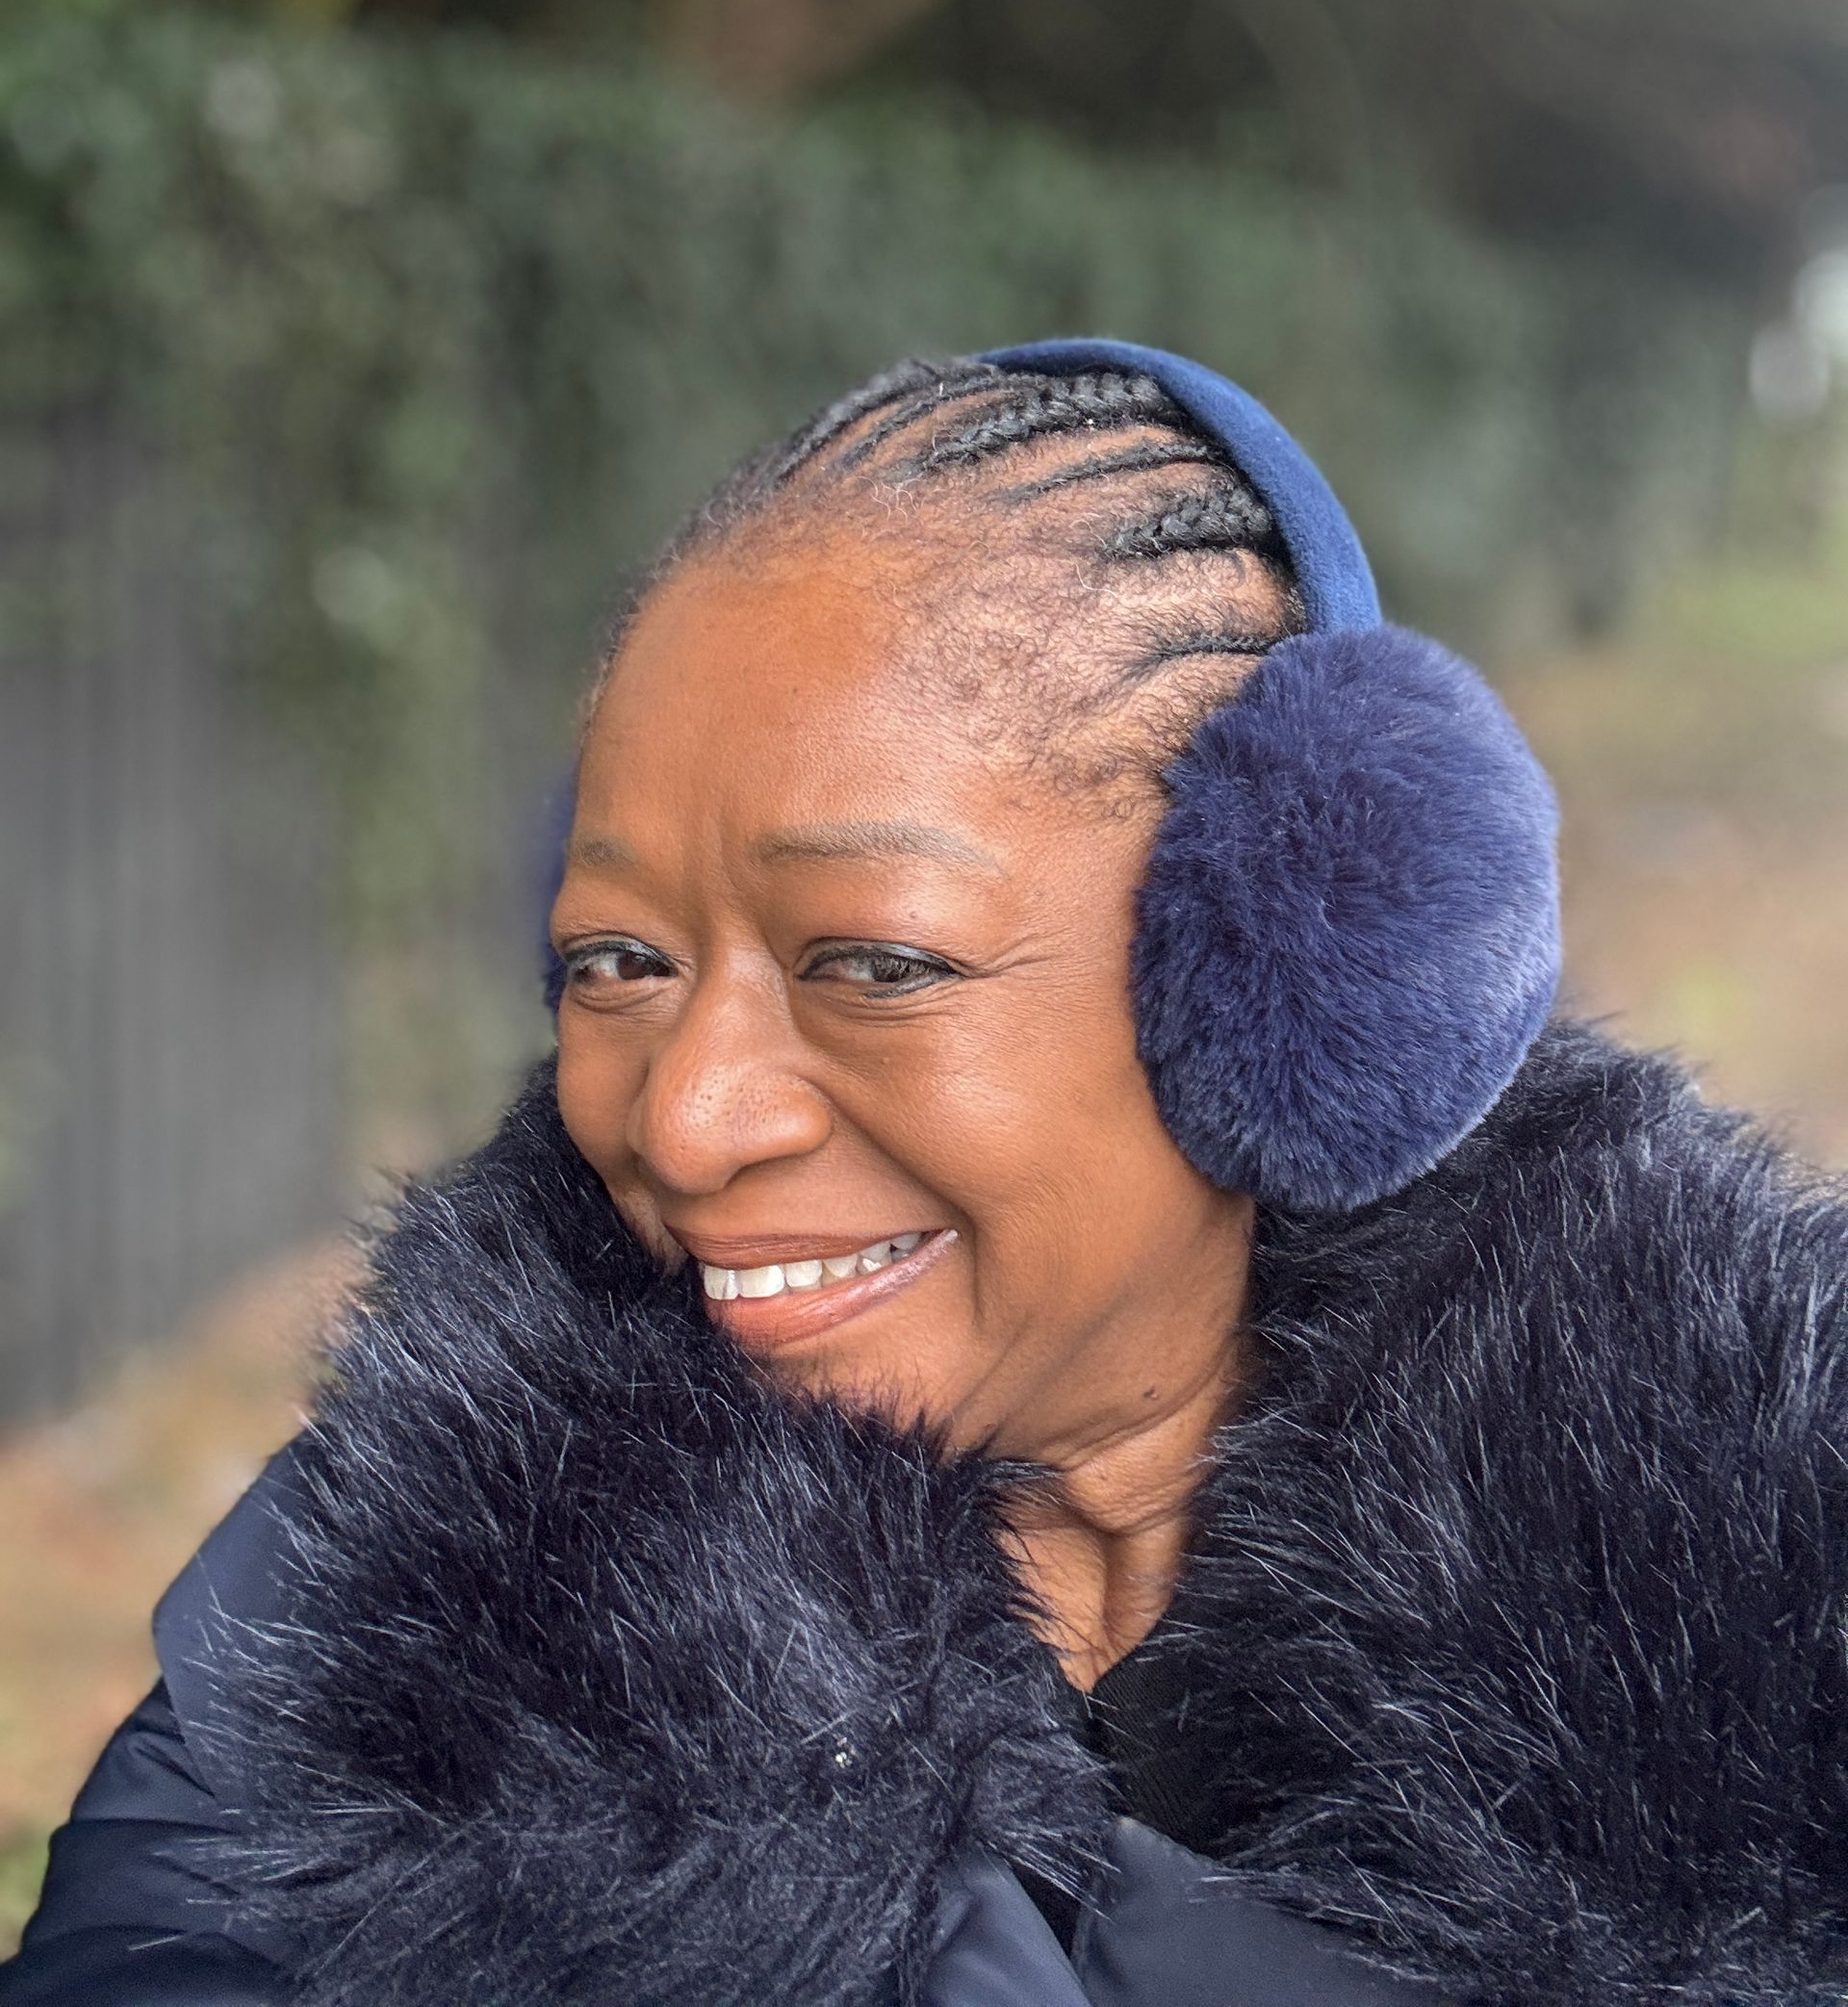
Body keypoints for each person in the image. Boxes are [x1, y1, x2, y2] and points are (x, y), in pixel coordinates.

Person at [6, 340, 1847, 2007]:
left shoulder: (1786, 1592)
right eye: (619, 961)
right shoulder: (423, 1576)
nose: (686, 1122)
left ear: (1287, 974)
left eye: (875, 965)